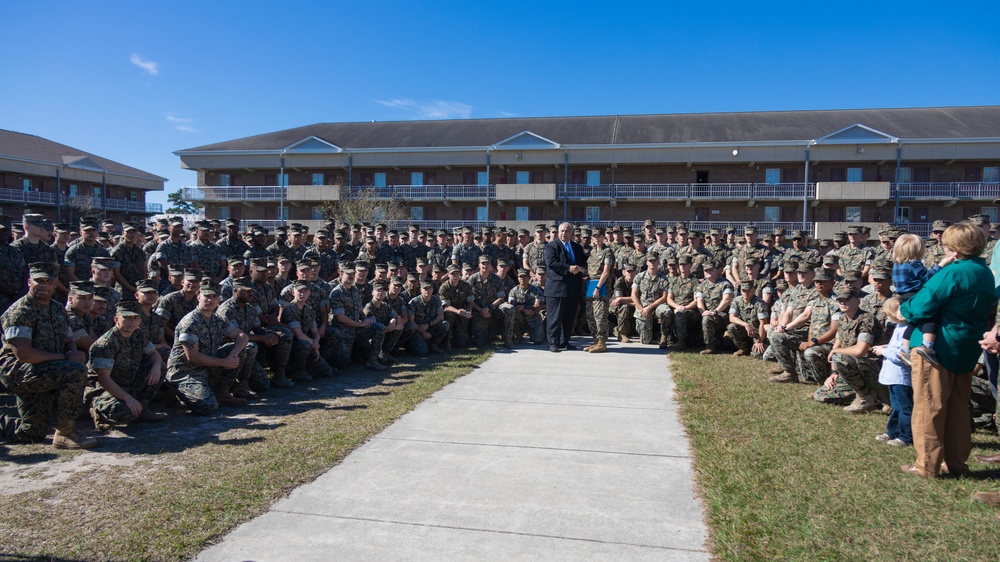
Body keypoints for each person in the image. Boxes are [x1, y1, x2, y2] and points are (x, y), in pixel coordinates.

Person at [900, 222, 997, 478]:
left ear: (954, 247)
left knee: (929, 406)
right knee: (957, 407)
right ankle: (956, 463)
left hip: (937, 347)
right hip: (965, 346)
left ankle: (927, 465)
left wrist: (906, 310)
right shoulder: (985, 273)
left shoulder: (953, 272)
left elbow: (920, 304)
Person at [0, 262, 95, 449]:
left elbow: (68, 339)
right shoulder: (19, 311)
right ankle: (65, 433)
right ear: (29, 282)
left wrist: (74, 353)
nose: (43, 285)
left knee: (31, 433)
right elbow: (24, 355)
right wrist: (68, 359)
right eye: (39, 281)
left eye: (48, 281)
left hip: (45, 369)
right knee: (75, 371)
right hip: (20, 372)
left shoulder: (58, 309)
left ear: (55, 284)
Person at [87, 300, 166, 429]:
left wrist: (156, 366)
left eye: (135, 318)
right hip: (104, 390)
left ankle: (142, 408)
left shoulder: (138, 334)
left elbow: (154, 354)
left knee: (159, 366)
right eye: (127, 317)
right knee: (125, 413)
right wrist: (128, 398)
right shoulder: (106, 344)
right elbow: (104, 379)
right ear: (116, 319)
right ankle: (97, 410)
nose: (131, 321)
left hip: (127, 381)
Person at [891, 233, 953, 367]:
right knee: (930, 318)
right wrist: (942, 264)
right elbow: (927, 277)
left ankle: (904, 349)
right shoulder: (914, 263)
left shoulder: (897, 264)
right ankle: (927, 345)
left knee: (912, 322)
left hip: (904, 297)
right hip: (916, 296)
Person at [871, 298, 913, 447]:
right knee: (896, 406)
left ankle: (906, 436)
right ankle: (893, 431)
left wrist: (884, 351)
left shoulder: (908, 330)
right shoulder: (899, 327)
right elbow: (895, 347)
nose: (887, 316)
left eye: (890, 313)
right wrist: (886, 347)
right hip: (892, 376)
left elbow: (902, 354)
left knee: (905, 408)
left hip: (901, 377)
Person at [543, 222, 586, 352]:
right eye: (561, 231)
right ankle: (553, 343)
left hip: (573, 288)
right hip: (556, 288)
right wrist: (569, 268)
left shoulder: (577, 247)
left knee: (569, 318)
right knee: (554, 318)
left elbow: (583, 263)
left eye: (567, 231)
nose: (563, 233)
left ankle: (564, 341)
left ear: (572, 233)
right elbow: (551, 263)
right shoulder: (551, 246)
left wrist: (583, 271)